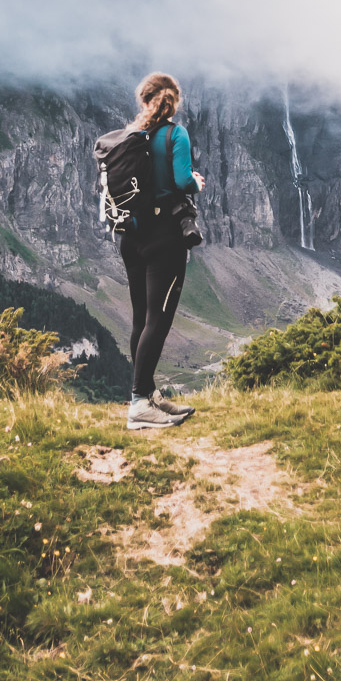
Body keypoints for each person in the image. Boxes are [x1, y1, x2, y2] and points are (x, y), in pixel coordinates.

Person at [118, 72, 205, 430]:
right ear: (174, 102)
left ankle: (147, 393)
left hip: (132, 237)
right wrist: (196, 182)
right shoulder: (175, 134)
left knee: (141, 316)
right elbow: (182, 180)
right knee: (160, 318)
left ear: (145, 100)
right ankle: (139, 405)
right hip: (164, 237)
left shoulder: (131, 137)